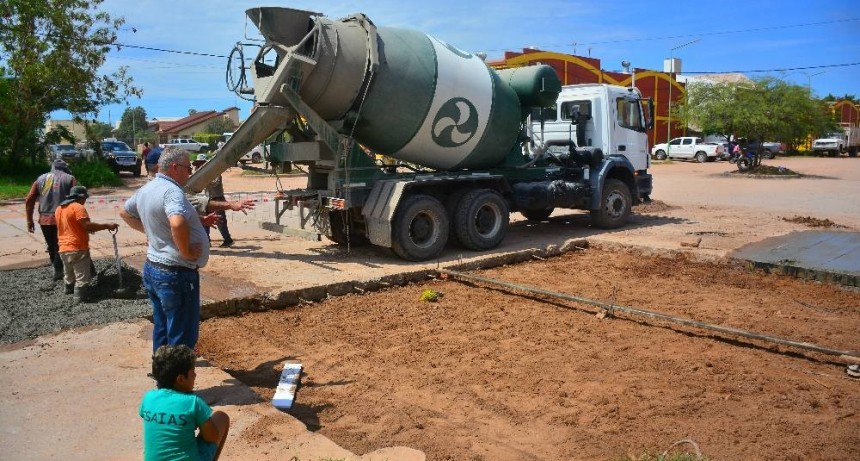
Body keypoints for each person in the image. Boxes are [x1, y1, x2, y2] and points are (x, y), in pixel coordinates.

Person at [120, 147, 214, 352]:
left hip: (154, 268)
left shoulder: (148, 188)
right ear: (174, 167)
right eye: (187, 168)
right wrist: (186, 252)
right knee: (182, 335)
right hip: (176, 273)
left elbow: (125, 213)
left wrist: (152, 232)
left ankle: (161, 366)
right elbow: (177, 223)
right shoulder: (172, 191)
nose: (189, 173)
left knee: (162, 325)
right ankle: (177, 371)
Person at [140, 344, 230, 461]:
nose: (195, 375)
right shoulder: (193, 403)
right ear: (181, 379)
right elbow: (212, 437)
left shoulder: (148, 398)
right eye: (193, 371)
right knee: (221, 417)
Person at [54, 186, 119, 302]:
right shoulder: (78, 207)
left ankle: (68, 289)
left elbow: (70, 226)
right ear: (81, 197)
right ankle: (80, 298)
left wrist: (87, 229)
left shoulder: (59, 208)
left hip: (63, 247)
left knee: (68, 273)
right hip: (77, 246)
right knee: (82, 275)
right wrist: (106, 226)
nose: (85, 201)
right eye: (85, 198)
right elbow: (87, 225)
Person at [25, 159, 77, 281]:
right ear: (65, 168)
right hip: (63, 218)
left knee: (52, 245)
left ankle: (57, 270)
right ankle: (61, 270)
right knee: (63, 245)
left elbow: (29, 199)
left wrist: (29, 220)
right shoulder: (70, 178)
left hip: (45, 219)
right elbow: (76, 199)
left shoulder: (40, 179)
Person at [192, 154, 234, 247]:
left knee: (220, 221)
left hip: (217, 198)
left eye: (201, 164)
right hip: (208, 200)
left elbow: (215, 182)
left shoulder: (215, 172)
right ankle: (207, 240)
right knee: (206, 220)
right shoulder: (203, 174)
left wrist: (205, 178)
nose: (199, 166)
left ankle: (228, 239)